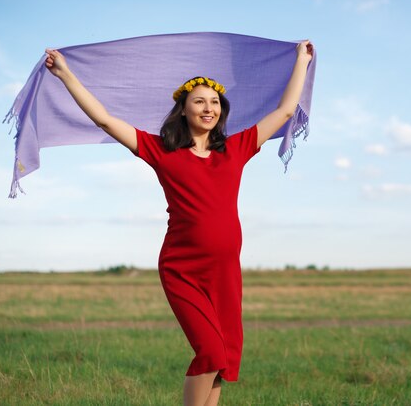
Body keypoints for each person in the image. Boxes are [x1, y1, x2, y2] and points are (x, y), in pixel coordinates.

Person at [44, 40, 314, 406]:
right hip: (182, 268)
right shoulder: (161, 151)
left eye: (215, 102)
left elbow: (284, 111)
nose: (209, 108)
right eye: (200, 101)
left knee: (224, 360)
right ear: (183, 109)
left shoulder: (236, 148)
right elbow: (105, 119)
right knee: (210, 352)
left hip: (224, 271)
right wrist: (66, 75)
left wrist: (300, 60)